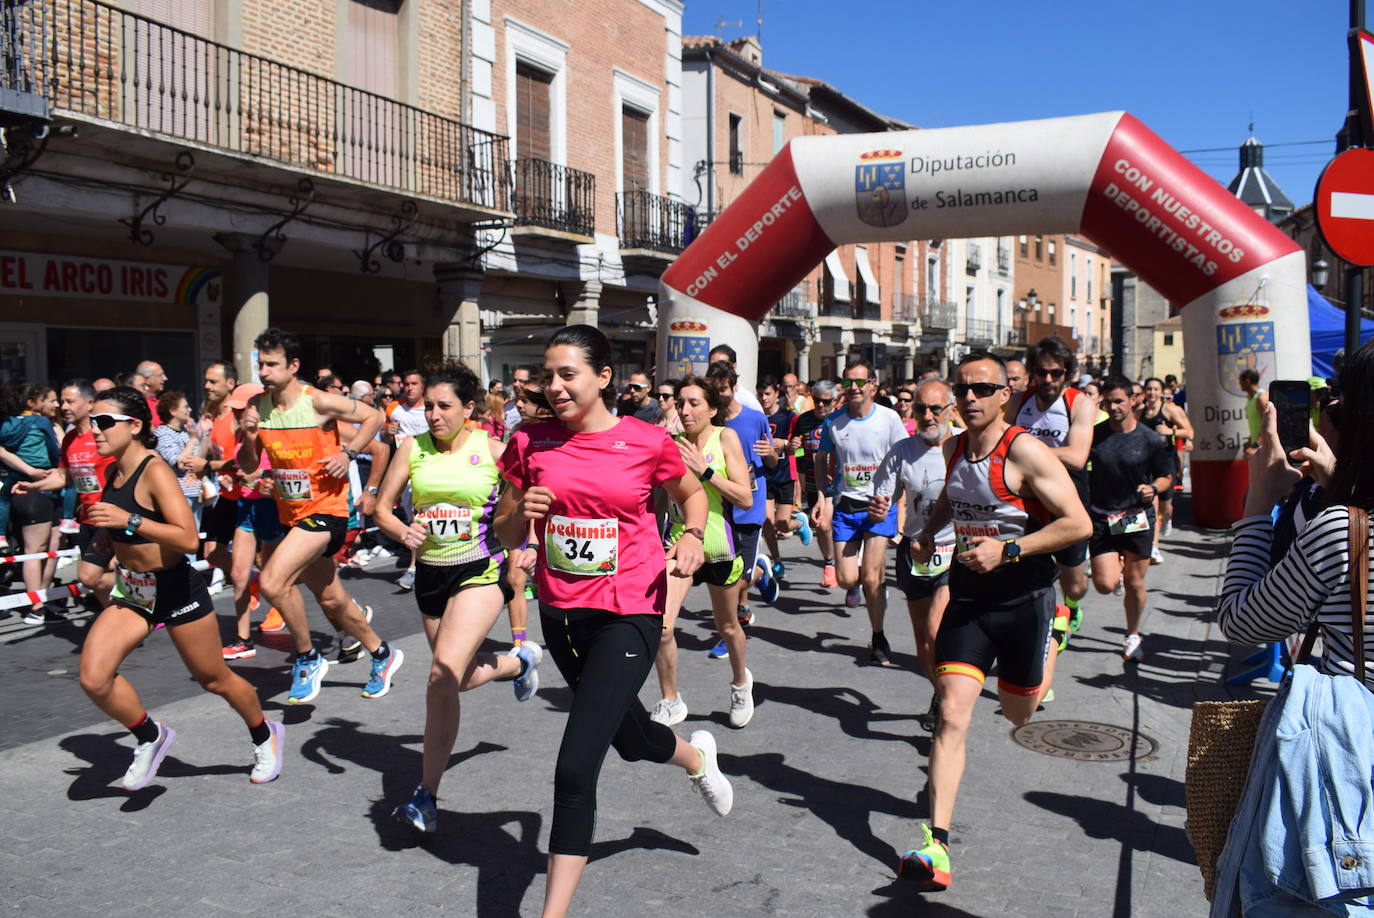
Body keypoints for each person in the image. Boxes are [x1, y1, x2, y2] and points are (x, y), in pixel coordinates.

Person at [493, 325, 733, 918]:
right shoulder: (529, 440)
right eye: (547, 375)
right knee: (628, 739)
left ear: (603, 377)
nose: (555, 387)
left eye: (567, 374)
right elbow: (503, 528)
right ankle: (697, 758)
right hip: (561, 613)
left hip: (630, 610)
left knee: (576, 765)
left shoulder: (647, 440)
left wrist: (692, 537)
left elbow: (692, 495)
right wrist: (521, 518)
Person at [899, 353, 1090, 892]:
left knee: (1017, 713)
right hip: (969, 598)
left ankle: (1056, 632)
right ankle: (937, 845)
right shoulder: (954, 447)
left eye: (982, 389)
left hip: (1025, 599)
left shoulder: (1025, 451)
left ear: (1006, 394)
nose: (970, 398)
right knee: (951, 713)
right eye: (962, 388)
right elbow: (951, 497)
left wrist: (1008, 550)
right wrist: (926, 532)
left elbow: (1079, 523)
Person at [60, 386, 283, 790]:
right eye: (92, 422)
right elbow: (118, 528)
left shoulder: (155, 471)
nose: (95, 430)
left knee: (214, 679)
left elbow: (186, 538)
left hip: (175, 587)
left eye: (104, 422)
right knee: (94, 677)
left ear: (134, 426)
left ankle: (264, 734)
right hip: (134, 591)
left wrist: (128, 521)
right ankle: (151, 736)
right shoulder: (112, 472)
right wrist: (100, 549)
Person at [373, 361, 541, 833]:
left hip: (479, 570)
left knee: (439, 676)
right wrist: (403, 531)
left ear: (469, 409)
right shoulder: (412, 447)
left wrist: (528, 546)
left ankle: (425, 796)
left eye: (444, 406)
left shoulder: (494, 449)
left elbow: (524, 504)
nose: (434, 415)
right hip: (431, 574)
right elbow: (381, 509)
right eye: (429, 406)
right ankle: (517, 664)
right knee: (455, 680)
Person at [238, 328, 403, 704]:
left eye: (272, 364)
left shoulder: (318, 401)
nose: (263, 372)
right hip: (292, 515)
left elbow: (374, 417)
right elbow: (248, 467)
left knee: (273, 582)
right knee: (332, 599)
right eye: (260, 364)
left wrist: (349, 453)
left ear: (293, 366)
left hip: (327, 511)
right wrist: (248, 437)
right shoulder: (258, 408)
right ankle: (382, 653)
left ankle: (307, 657)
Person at [1217, 342, 1359, 681]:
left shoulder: (1341, 528)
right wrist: (1338, 485)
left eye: (1339, 403)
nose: (1327, 410)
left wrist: (1259, 500)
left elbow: (1241, 623)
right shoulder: (1346, 510)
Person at [651, 375, 756, 728]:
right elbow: (662, 497)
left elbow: (745, 497)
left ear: (712, 409)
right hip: (680, 545)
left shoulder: (725, 438)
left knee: (727, 627)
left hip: (720, 547)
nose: (685, 410)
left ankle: (740, 683)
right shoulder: (671, 444)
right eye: (681, 403)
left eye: (694, 403)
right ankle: (671, 700)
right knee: (661, 626)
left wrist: (705, 470)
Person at [870, 378, 957, 732]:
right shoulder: (902, 450)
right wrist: (879, 507)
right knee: (922, 639)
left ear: (951, 410)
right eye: (921, 409)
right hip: (915, 550)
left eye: (936, 409)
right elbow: (883, 496)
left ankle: (949, 705)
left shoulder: (964, 444)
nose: (928, 416)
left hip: (955, 550)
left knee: (936, 630)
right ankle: (941, 694)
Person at [813, 358, 908, 664]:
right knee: (845, 578)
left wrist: (898, 504)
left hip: (879, 506)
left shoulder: (889, 419)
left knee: (871, 577)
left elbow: (905, 460)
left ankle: (878, 636)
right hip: (846, 506)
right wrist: (822, 496)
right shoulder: (834, 421)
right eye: (848, 382)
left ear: (872, 386)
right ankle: (866, 586)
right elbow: (820, 459)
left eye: (859, 381)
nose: (853, 387)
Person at [1013, 336, 1095, 645]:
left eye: (1056, 373)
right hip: (1027, 499)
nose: (1048, 379)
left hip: (1067, 498)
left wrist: (1027, 453)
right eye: (1041, 372)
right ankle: (1041, 624)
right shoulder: (1019, 400)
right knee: (1028, 571)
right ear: (1032, 372)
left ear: (1067, 373)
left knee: (1074, 584)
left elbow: (1076, 456)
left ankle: (1072, 605)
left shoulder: (1079, 403)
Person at [1085, 377, 1174, 662]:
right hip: (1102, 517)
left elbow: (1165, 475)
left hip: (1136, 518)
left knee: (1134, 584)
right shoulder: (1093, 435)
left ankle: (1133, 634)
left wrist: (1153, 489)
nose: (1113, 407)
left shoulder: (1149, 438)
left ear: (1133, 400)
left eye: (1119, 401)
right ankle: (1117, 570)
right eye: (1108, 402)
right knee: (1104, 584)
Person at [705, 360, 776, 643]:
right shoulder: (712, 422)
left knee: (738, 579)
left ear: (734, 387)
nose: (719, 395)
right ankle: (733, 625)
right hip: (721, 505)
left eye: (723, 389)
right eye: (715, 390)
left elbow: (771, 461)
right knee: (725, 573)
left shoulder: (755, 418)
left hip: (750, 504)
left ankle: (729, 633)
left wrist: (772, 453)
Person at [219, 383, 285, 661]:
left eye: (240, 409)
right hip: (246, 506)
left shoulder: (272, 431)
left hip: (270, 507)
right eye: (233, 409)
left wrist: (262, 477)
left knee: (273, 576)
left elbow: (283, 466)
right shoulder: (239, 433)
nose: (235, 413)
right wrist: (230, 478)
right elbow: (239, 467)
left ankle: (300, 628)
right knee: (238, 575)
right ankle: (243, 640)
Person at [0, 382, 61, 622]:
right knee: (35, 551)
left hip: (25, 486)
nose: (55, 405)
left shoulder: (6, 424)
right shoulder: (40, 423)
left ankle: (41, 601)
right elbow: (54, 450)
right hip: (38, 486)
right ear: (32, 402)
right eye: (48, 400)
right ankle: (35, 607)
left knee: (51, 548)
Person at [196, 361, 242, 602]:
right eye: (206, 381)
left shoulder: (237, 417)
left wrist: (208, 467)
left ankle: (262, 585)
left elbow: (244, 462)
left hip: (246, 496)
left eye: (213, 382)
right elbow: (204, 453)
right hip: (226, 496)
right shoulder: (212, 415)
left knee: (258, 557)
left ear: (230, 383)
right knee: (212, 553)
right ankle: (250, 578)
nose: (207, 386)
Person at [756, 375, 808, 575]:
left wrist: (785, 444)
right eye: (760, 394)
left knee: (782, 525)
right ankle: (777, 559)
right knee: (767, 522)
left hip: (785, 474)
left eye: (767, 394)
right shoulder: (757, 417)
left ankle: (799, 522)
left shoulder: (789, 417)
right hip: (764, 475)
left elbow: (799, 446)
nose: (764, 398)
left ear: (776, 394)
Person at [1139, 377, 1194, 556]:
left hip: (1165, 461)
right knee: (1151, 503)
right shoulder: (1140, 411)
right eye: (1149, 389)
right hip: (1146, 463)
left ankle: (1167, 518)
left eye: (1156, 389)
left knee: (1165, 506)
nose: (1152, 393)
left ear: (1161, 392)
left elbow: (1190, 431)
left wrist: (1171, 431)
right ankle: (1153, 545)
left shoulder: (1169, 410)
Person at [385, 369, 429, 590]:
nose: (409, 387)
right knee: (415, 518)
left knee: (419, 519)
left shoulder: (431, 408)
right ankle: (423, 564)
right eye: (406, 383)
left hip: (428, 471)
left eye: (414, 383)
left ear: (422, 387)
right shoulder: (394, 408)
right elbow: (384, 438)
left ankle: (414, 568)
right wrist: (388, 431)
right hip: (405, 473)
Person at [792, 380, 839, 587]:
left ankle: (837, 563)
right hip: (813, 483)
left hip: (839, 485)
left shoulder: (841, 420)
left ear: (834, 401)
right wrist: (793, 446)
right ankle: (829, 561)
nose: (820, 405)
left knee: (829, 524)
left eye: (826, 401)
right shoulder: (803, 420)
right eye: (817, 400)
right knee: (821, 526)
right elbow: (797, 452)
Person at [153, 391, 206, 525]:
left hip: (194, 492)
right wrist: (193, 439)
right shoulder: (163, 434)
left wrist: (205, 434)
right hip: (178, 495)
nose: (190, 410)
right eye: (185, 407)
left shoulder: (185, 432)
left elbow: (200, 459)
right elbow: (180, 463)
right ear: (173, 411)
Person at [708, 344, 764, 414]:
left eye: (722, 365)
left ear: (734, 367)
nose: (716, 370)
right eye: (712, 366)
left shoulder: (749, 402)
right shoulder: (702, 395)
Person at [136, 361, 167, 428]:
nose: (165, 378)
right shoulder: (139, 405)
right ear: (147, 379)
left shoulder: (161, 402)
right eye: (160, 375)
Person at [503, 365, 533, 432]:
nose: (515, 384)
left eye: (521, 381)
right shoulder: (507, 405)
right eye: (515, 380)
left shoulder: (537, 406)